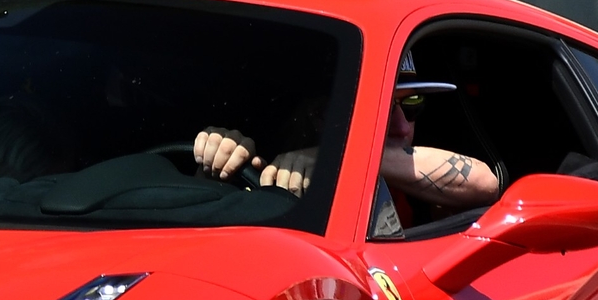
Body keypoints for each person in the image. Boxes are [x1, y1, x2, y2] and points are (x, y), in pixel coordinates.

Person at [192, 80, 499, 213]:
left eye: (413, 104)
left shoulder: (413, 187)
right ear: (320, 117)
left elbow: (485, 183)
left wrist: (338, 157)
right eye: (381, 106)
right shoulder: (268, 173)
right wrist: (212, 165)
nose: (403, 126)